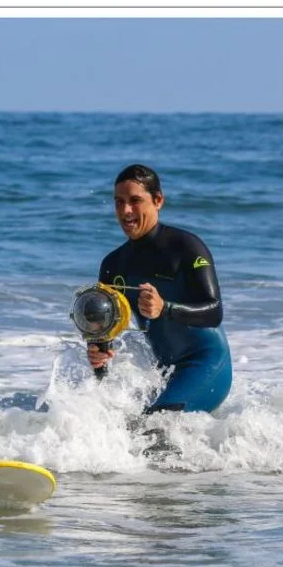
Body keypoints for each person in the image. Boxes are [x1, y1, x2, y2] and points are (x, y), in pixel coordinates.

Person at [86, 164, 232, 418]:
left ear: (158, 201)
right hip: (164, 372)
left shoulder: (186, 247)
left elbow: (214, 311)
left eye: (135, 201)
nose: (125, 211)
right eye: (119, 202)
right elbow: (103, 334)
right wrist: (98, 359)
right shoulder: (112, 265)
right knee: (120, 424)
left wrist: (165, 308)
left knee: (155, 425)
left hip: (206, 363)